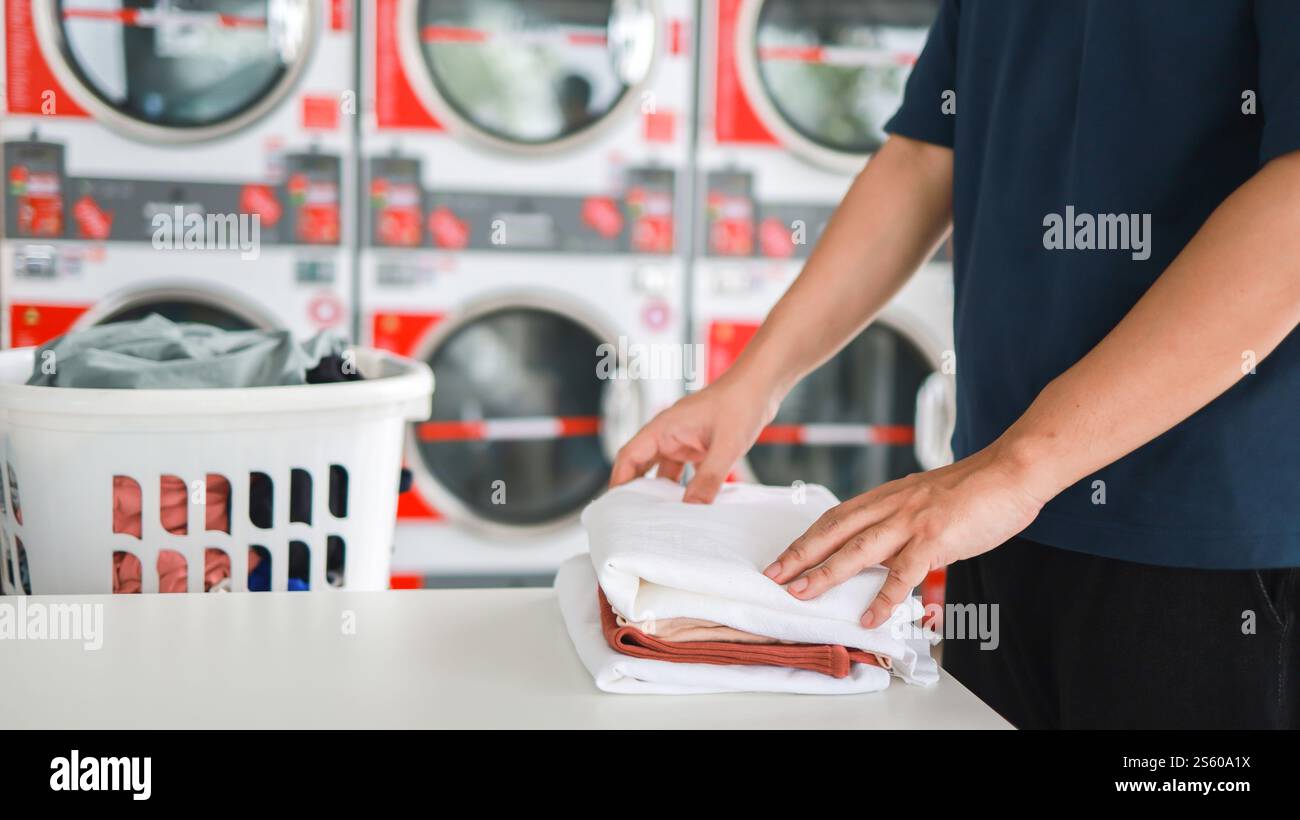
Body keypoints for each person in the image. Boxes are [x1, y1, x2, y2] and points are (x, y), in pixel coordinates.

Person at [610, 0, 1300, 729]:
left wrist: (1018, 467)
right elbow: (924, 153)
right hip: (990, 519)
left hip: (1213, 546)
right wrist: (755, 378)